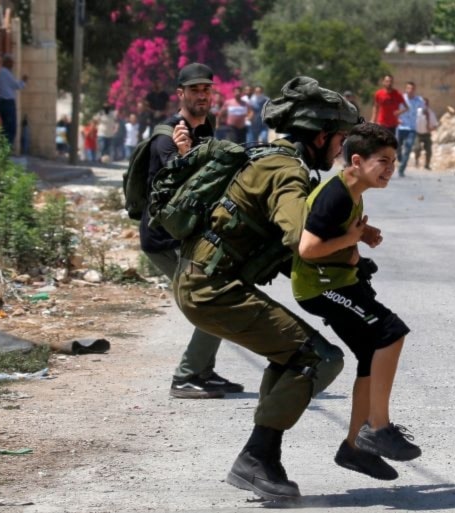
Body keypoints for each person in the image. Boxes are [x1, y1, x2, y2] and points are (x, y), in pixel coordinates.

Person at [173, 76, 360, 500]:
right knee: (319, 358)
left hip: (205, 279)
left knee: (289, 354)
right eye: (341, 138)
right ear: (320, 135)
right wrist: (350, 247)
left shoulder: (272, 158)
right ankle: (257, 457)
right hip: (212, 286)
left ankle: (262, 457)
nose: (342, 148)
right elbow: (303, 241)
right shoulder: (287, 172)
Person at [291, 122, 421, 481]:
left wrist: (359, 237)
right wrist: (350, 240)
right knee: (390, 332)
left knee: (371, 354)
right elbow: (309, 248)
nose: (391, 168)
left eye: (394, 161)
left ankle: (354, 449)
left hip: (339, 280)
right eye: (384, 161)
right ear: (357, 160)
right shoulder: (336, 194)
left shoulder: (353, 188)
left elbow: (335, 236)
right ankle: (377, 428)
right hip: (320, 287)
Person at [140, 62, 243, 400]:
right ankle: (185, 377)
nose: (202, 94)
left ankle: (203, 371)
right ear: (180, 93)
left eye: (206, 89)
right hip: (165, 238)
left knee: (219, 293)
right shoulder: (168, 138)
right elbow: (177, 191)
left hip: (188, 234)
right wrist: (185, 156)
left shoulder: (204, 130)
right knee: (211, 300)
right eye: (195, 89)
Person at [0, 54, 27, 149]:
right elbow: (16, 85)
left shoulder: (1, 72)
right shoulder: (5, 72)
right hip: (8, 102)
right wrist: (23, 81)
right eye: (11, 62)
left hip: (2, 102)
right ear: (6, 63)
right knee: (10, 129)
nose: (12, 64)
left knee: (4, 128)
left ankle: (3, 149)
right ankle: (5, 150)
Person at [395, 81, 424, 177]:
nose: (410, 90)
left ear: (414, 90)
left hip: (412, 128)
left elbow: (424, 110)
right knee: (397, 147)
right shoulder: (400, 99)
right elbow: (394, 111)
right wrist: (397, 120)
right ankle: (399, 157)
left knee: (408, 148)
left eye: (412, 88)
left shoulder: (419, 100)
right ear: (406, 89)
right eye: (408, 88)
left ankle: (401, 169)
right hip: (401, 126)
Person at [414, 97, 439, 170]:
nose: (425, 105)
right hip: (418, 134)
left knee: (429, 150)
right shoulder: (417, 112)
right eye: (423, 104)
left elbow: (435, 125)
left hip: (427, 134)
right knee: (417, 148)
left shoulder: (431, 113)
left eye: (426, 104)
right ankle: (416, 160)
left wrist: (431, 128)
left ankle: (427, 164)